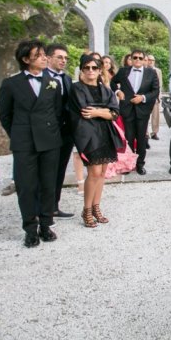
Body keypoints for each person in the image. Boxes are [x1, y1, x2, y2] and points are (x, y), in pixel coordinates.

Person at [0, 40, 63, 248]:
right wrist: (19, 134)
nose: (45, 58)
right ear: (26, 59)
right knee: (26, 186)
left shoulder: (53, 82)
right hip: (24, 141)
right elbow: (5, 115)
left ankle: (46, 224)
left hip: (49, 140)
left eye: (45, 54)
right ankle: (30, 227)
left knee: (48, 184)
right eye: (39, 55)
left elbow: (57, 111)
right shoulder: (11, 84)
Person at [69, 55, 123, 227]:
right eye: (87, 68)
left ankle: (96, 207)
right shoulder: (77, 88)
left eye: (94, 68)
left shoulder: (106, 90)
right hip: (88, 135)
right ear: (82, 70)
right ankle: (86, 210)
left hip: (106, 134)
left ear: (100, 70)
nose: (91, 71)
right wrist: (104, 111)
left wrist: (99, 112)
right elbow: (85, 111)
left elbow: (114, 113)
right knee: (93, 173)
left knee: (102, 174)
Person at [111, 49, 159, 175]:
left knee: (141, 139)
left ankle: (140, 164)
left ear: (144, 60)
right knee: (129, 138)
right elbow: (112, 82)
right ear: (131, 59)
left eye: (140, 58)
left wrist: (142, 98)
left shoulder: (151, 73)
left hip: (142, 110)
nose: (137, 60)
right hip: (127, 109)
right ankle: (129, 164)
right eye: (135, 57)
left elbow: (155, 91)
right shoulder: (123, 71)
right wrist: (118, 92)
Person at [44, 43, 75, 220]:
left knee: (60, 168)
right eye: (59, 57)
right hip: (49, 131)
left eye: (65, 58)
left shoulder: (67, 79)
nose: (63, 61)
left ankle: (55, 205)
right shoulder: (43, 78)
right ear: (48, 58)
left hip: (66, 131)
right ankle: (44, 207)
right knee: (48, 169)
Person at [145, 54, 163, 141]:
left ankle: (154, 132)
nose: (150, 62)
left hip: (155, 95)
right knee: (146, 115)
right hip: (146, 95)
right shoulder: (144, 70)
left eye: (152, 60)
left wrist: (159, 96)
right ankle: (146, 132)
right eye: (149, 60)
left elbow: (160, 84)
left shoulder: (158, 71)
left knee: (156, 116)